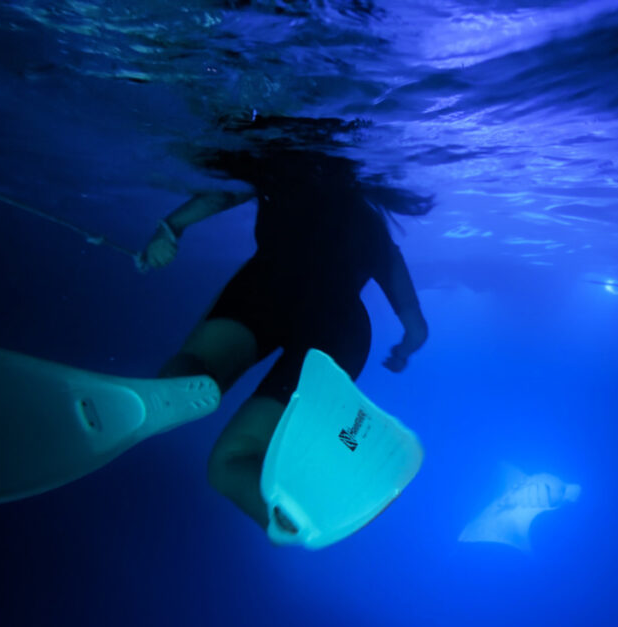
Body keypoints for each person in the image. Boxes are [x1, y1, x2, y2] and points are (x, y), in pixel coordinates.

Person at [139, 120, 431, 534]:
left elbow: (221, 193)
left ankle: (165, 392)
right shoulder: (373, 228)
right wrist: (402, 351)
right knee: (230, 464)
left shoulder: (277, 169)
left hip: (267, 290)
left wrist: (169, 229)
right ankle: (295, 518)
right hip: (338, 331)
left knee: (193, 373)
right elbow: (417, 327)